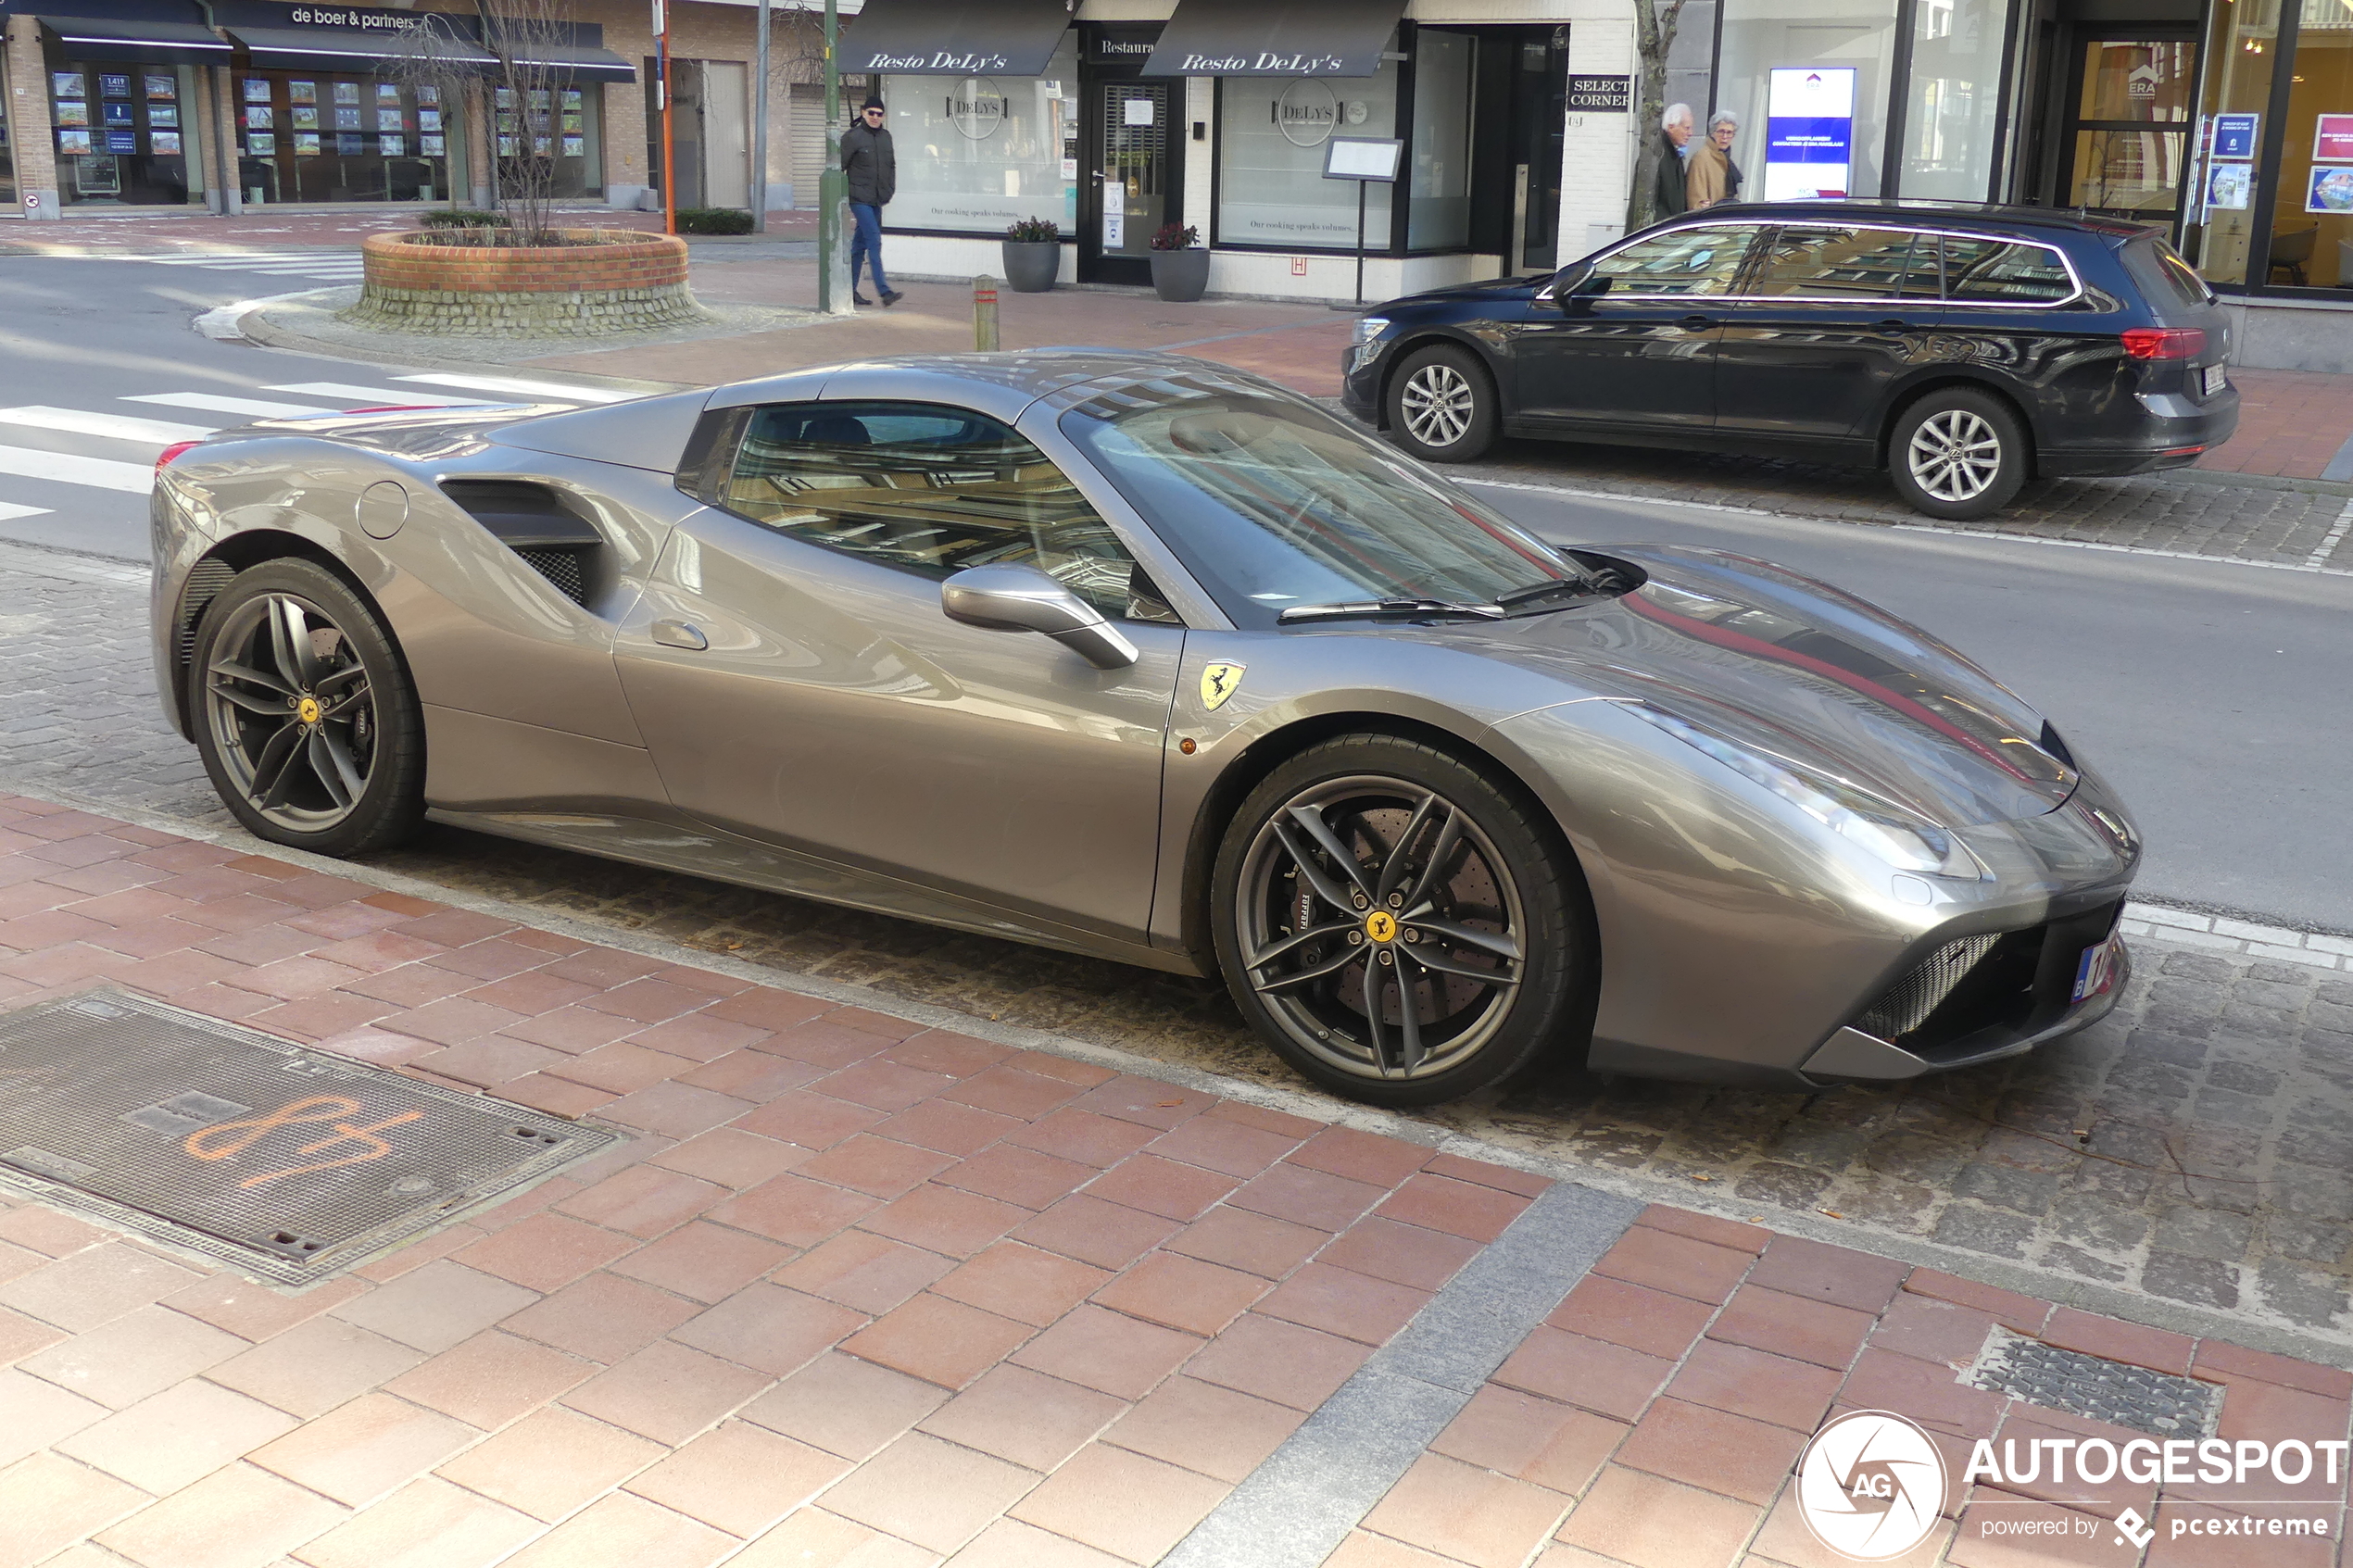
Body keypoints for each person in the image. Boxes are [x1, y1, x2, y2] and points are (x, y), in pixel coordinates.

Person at [841, 94, 901, 307]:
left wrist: (889, 190)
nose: (875, 117)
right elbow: (839, 166)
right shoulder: (853, 137)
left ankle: (848, 290)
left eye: (879, 114)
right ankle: (884, 291)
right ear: (863, 113)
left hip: (877, 198)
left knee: (859, 245)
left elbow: (891, 165)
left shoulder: (886, 137)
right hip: (859, 198)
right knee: (874, 240)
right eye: (871, 113)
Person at [1686, 112, 1743, 208]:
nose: (1725, 137)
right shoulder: (1701, 158)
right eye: (1721, 132)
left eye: (1729, 132)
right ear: (1712, 133)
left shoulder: (1725, 158)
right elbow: (1696, 202)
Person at [1654, 104, 1693, 219]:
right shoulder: (1658, 155)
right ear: (1671, 127)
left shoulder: (1675, 155)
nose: (1690, 133)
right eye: (1686, 128)